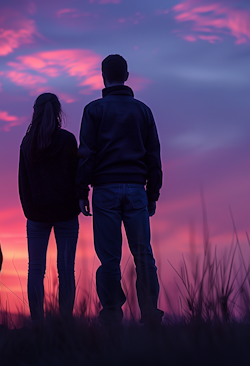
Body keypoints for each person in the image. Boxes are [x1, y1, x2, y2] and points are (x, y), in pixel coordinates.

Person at [76, 54, 164, 327]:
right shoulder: (143, 111)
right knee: (143, 255)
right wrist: (153, 194)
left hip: (105, 190)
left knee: (110, 259)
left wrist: (82, 190)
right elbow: (153, 156)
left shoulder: (93, 110)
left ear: (103, 76)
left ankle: (112, 315)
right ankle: (150, 316)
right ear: (126, 75)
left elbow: (86, 154)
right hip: (137, 189)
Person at [18, 93, 81, 325]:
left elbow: (22, 181)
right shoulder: (67, 140)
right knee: (66, 270)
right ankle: (65, 323)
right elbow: (76, 175)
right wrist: (77, 201)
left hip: (36, 215)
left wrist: (29, 210)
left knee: (36, 269)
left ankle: (38, 324)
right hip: (66, 213)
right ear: (58, 112)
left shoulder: (27, 143)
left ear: (35, 112)